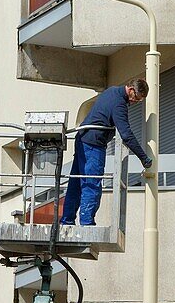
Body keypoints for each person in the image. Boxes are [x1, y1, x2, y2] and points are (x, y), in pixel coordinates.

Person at [60, 78, 152, 226]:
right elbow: (126, 134)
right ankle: (87, 224)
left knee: (76, 182)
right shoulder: (119, 104)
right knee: (92, 184)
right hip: (93, 144)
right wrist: (143, 158)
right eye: (136, 99)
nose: (135, 102)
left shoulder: (111, 91)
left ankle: (67, 220)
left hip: (83, 138)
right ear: (131, 90)